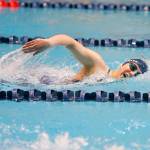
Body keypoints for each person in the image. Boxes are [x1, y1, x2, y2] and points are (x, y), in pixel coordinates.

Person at [22, 34, 148, 83]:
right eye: (132, 67)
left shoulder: (108, 81)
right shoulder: (98, 65)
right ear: (123, 64)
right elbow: (71, 42)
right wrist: (48, 42)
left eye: (136, 74)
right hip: (40, 79)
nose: (132, 73)